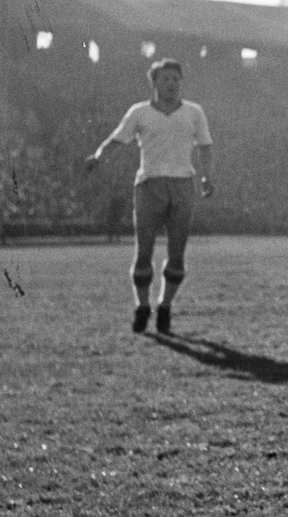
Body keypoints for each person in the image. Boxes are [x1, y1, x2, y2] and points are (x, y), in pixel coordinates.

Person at [85, 59, 214, 335]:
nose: (171, 84)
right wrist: (98, 157)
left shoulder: (194, 112)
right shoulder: (140, 112)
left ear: (181, 83)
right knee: (143, 252)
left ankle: (165, 306)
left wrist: (207, 176)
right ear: (154, 83)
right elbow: (117, 139)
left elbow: (205, 147)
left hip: (182, 185)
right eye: (165, 79)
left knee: (177, 255)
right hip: (149, 185)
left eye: (175, 79)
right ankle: (142, 306)